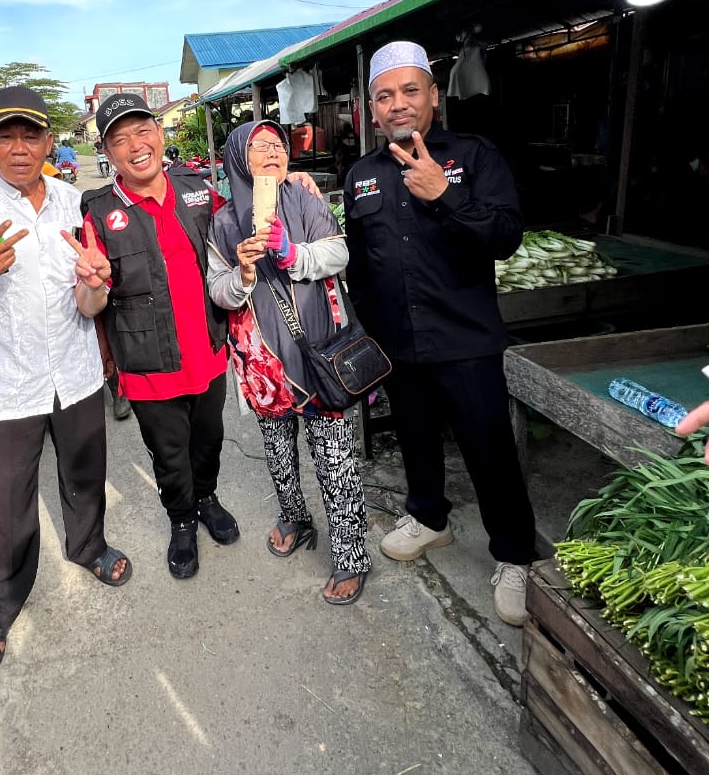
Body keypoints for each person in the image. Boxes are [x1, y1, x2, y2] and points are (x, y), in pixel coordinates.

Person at [0, 86, 131, 683]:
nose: (19, 148)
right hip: (6, 385)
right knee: (4, 503)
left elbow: (90, 290)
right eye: (5, 135)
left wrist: (99, 284)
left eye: (31, 135)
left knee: (85, 473)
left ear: (48, 142)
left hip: (76, 371)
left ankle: (88, 546)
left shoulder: (74, 202)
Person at [343, 41, 537, 627]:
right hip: (396, 345)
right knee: (415, 439)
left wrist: (446, 195)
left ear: (432, 96)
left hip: (464, 341)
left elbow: (506, 235)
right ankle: (429, 519)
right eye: (385, 95)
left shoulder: (473, 157)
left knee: (489, 450)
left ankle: (514, 556)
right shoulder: (361, 175)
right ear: (371, 109)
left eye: (409, 91)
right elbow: (359, 262)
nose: (398, 104)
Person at [76, 93, 242, 580]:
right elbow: (90, 303)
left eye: (142, 130)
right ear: (107, 152)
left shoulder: (198, 192)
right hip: (148, 365)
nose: (135, 144)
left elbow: (244, 221)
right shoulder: (100, 213)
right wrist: (94, 284)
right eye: (119, 138)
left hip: (208, 353)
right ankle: (182, 521)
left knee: (209, 440)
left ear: (159, 133)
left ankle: (207, 497)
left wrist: (291, 182)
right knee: (169, 455)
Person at [207, 121, 371, 604]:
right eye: (259, 147)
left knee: (335, 459)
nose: (272, 153)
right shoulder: (222, 222)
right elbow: (217, 291)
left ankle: (350, 556)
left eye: (277, 145)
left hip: (319, 353)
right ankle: (295, 517)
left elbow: (339, 252)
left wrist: (290, 251)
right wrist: (241, 273)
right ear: (240, 158)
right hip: (264, 366)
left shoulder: (304, 198)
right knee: (279, 454)